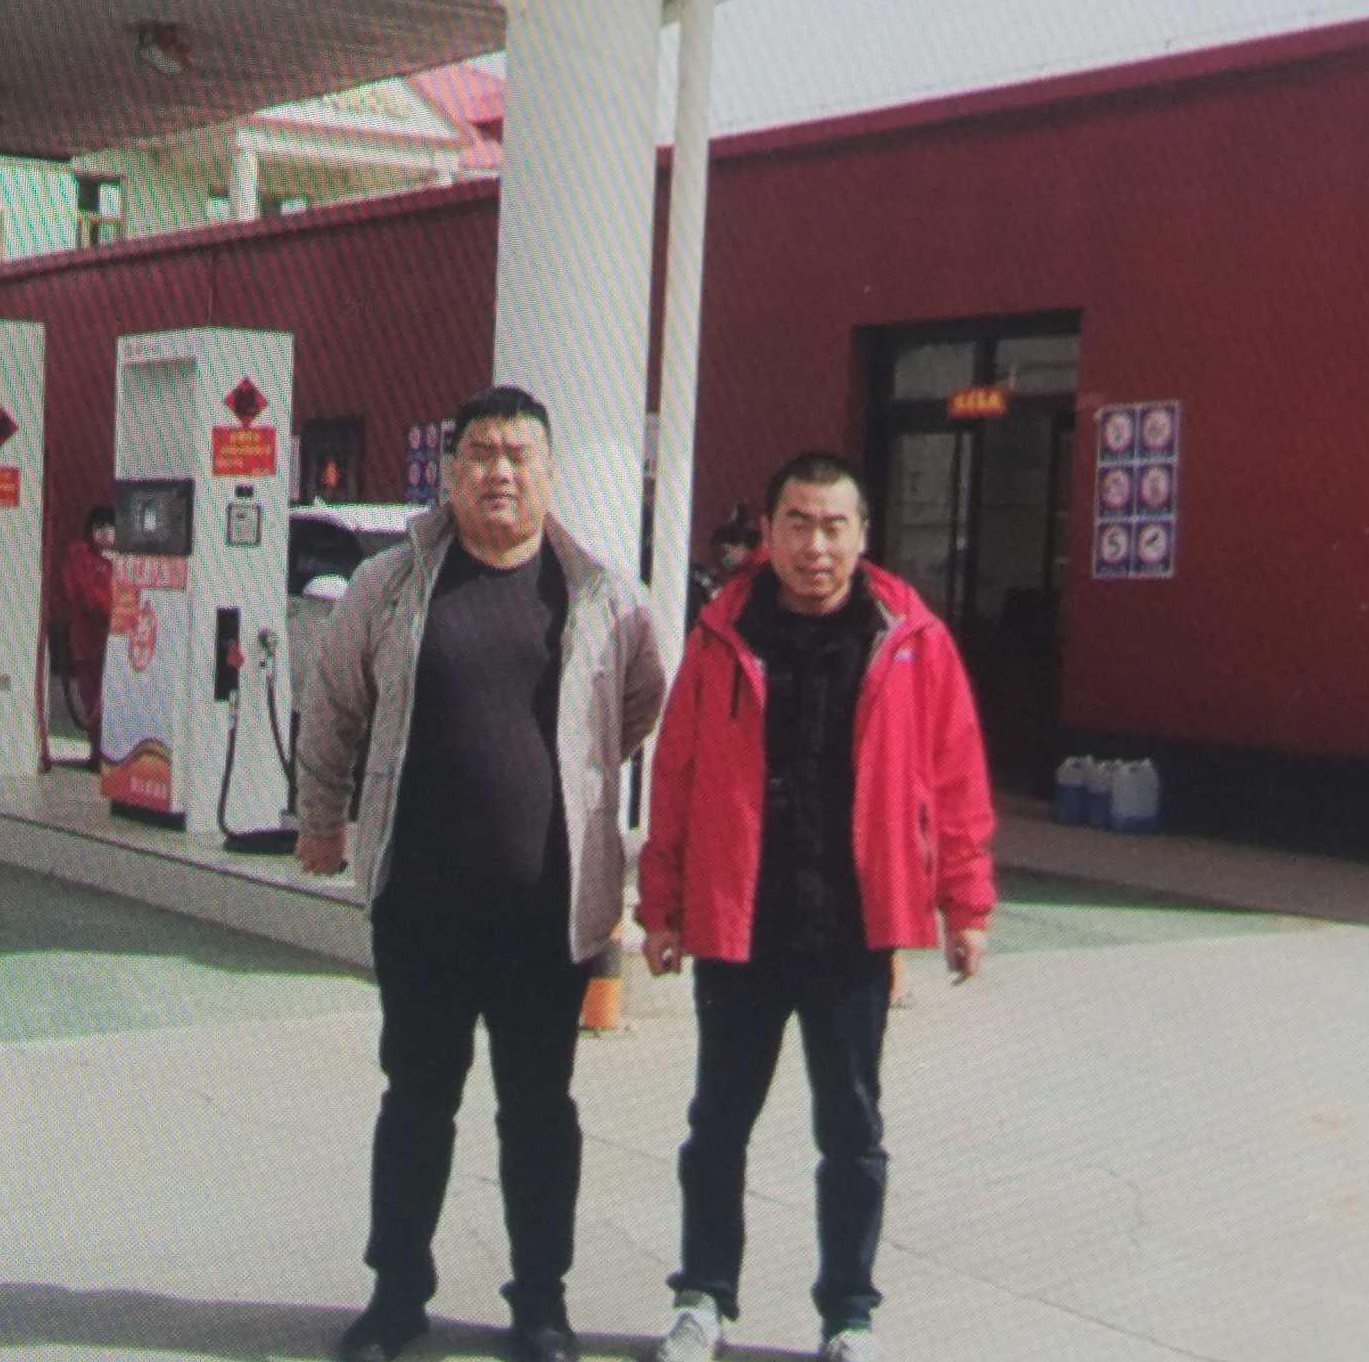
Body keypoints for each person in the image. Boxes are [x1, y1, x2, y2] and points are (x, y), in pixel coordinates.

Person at [297, 385, 667, 1362]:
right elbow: (334, 705)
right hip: (421, 913)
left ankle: (540, 1305)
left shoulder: (602, 595)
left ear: (549, 472)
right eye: (481, 454)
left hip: (548, 917)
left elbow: (636, 705)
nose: (499, 472)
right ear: (450, 471)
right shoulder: (390, 585)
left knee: (540, 1114)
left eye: (518, 455)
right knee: (416, 1103)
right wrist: (321, 819)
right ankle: (396, 1297)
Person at [637, 452, 996, 1362]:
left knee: (852, 1132)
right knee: (717, 1125)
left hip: (851, 929)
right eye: (797, 523)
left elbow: (956, 778)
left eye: (835, 525)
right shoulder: (722, 635)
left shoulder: (909, 638)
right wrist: (662, 905)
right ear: (768, 532)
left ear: (863, 535)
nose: (815, 545)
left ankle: (849, 1315)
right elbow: (675, 775)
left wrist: (966, 905)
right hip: (741, 922)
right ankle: (702, 1298)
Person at [60, 503, 115, 770]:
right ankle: (97, 753)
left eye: (110, 527)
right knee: (92, 698)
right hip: (88, 642)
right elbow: (85, 595)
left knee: (110, 699)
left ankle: (109, 754)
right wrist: (114, 612)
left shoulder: (123, 559)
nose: (104, 532)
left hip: (118, 643)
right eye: (98, 527)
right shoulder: (79, 556)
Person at [685, 503, 760, 629]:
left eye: (724, 553)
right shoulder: (743, 573)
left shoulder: (760, 567)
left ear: (739, 545)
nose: (723, 562)